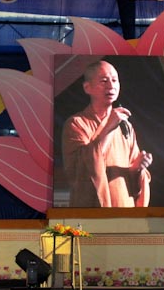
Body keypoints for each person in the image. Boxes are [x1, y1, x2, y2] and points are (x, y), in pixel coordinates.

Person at [62, 60, 153, 207]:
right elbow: (81, 171)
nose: (111, 86)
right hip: (94, 211)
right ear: (87, 87)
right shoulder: (77, 123)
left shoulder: (125, 125)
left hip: (124, 209)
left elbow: (130, 175)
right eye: (104, 81)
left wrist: (137, 168)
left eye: (114, 80)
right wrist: (109, 127)